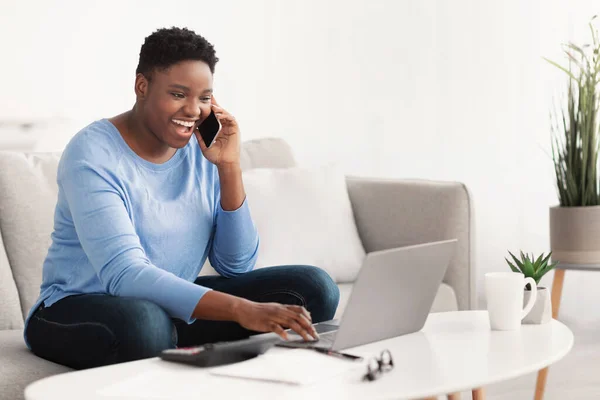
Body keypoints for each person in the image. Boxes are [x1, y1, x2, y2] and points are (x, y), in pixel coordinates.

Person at [24, 27, 340, 370]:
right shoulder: (92, 153)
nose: (193, 110)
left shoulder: (201, 150)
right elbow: (125, 275)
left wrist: (228, 166)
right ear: (141, 86)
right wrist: (241, 309)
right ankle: (175, 342)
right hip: (77, 308)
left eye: (204, 98)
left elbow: (235, 266)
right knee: (146, 324)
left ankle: (179, 345)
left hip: (168, 310)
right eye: (178, 94)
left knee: (313, 288)